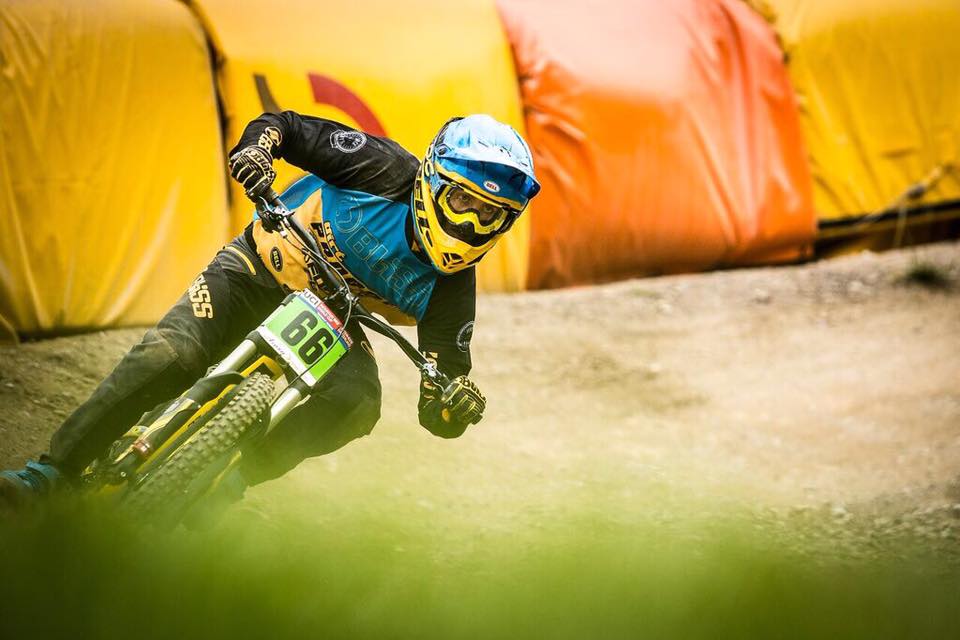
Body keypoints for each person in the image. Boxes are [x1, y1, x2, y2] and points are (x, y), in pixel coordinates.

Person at [0, 111, 541, 506]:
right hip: (259, 265)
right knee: (172, 354)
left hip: (335, 318)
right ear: (431, 182)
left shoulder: (453, 291)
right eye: (462, 200)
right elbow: (286, 127)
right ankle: (51, 472)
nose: (469, 224)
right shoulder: (380, 166)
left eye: (490, 215)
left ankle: (228, 479)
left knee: (358, 402)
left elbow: (439, 398)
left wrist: (452, 408)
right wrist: (256, 152)